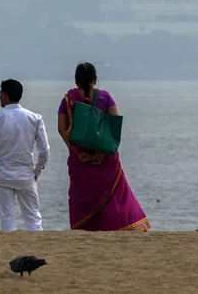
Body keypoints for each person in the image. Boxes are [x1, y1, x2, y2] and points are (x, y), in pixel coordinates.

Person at [57, 62, 149, 232]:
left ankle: (84, 230)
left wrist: (79, 153)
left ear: (76, 81)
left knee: (81, 198)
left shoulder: (68, 101)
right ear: (96, 80)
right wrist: (102, 151)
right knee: (113, 198)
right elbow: (115, 126)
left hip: (80, 162)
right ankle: (114, 228)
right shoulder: (106, 97)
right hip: (105, 160)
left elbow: (62, 129)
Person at [0, 79, 50, 231]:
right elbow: (44, 151)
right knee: (33, 219)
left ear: (4, 95)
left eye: (0, 93)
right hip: (26, 174)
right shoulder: (35, 118)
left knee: (7, 218)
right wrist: (37, 171)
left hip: (3, 174)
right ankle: (37, 250)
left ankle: (10, 250)